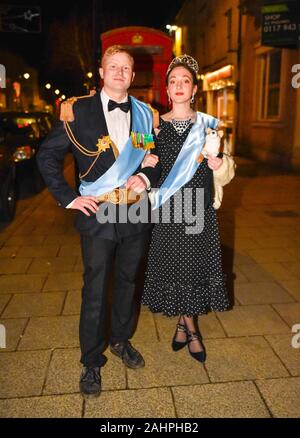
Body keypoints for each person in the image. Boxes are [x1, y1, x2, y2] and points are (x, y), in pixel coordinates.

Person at [37, 45, 161, 398]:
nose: (120, 72)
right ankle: (92, 359)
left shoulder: (143, 114)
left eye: (126, 67)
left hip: (136, 212)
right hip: (99, 213)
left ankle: (121, 340)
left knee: (126, 282)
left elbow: (153, 159)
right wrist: (69, 197)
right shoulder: (79, 111)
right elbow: (47, 156)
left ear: (133, 76)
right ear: (102, 73)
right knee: (95, 288)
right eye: (113, 66)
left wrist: (146, 178)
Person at [142, 54, 235, 363]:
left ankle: (186, 327)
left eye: (185, 81)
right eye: (173, 81)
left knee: (193, 269)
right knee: (176, 268)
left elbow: (228, 171)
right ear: (167, 90)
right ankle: (190, 328)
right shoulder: (153, 127)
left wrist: (220, 164)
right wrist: (143, 163)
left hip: (199, 209)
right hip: (168, 211)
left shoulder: (210, 126)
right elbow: (139, 159)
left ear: (194, 89)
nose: (179, 86)